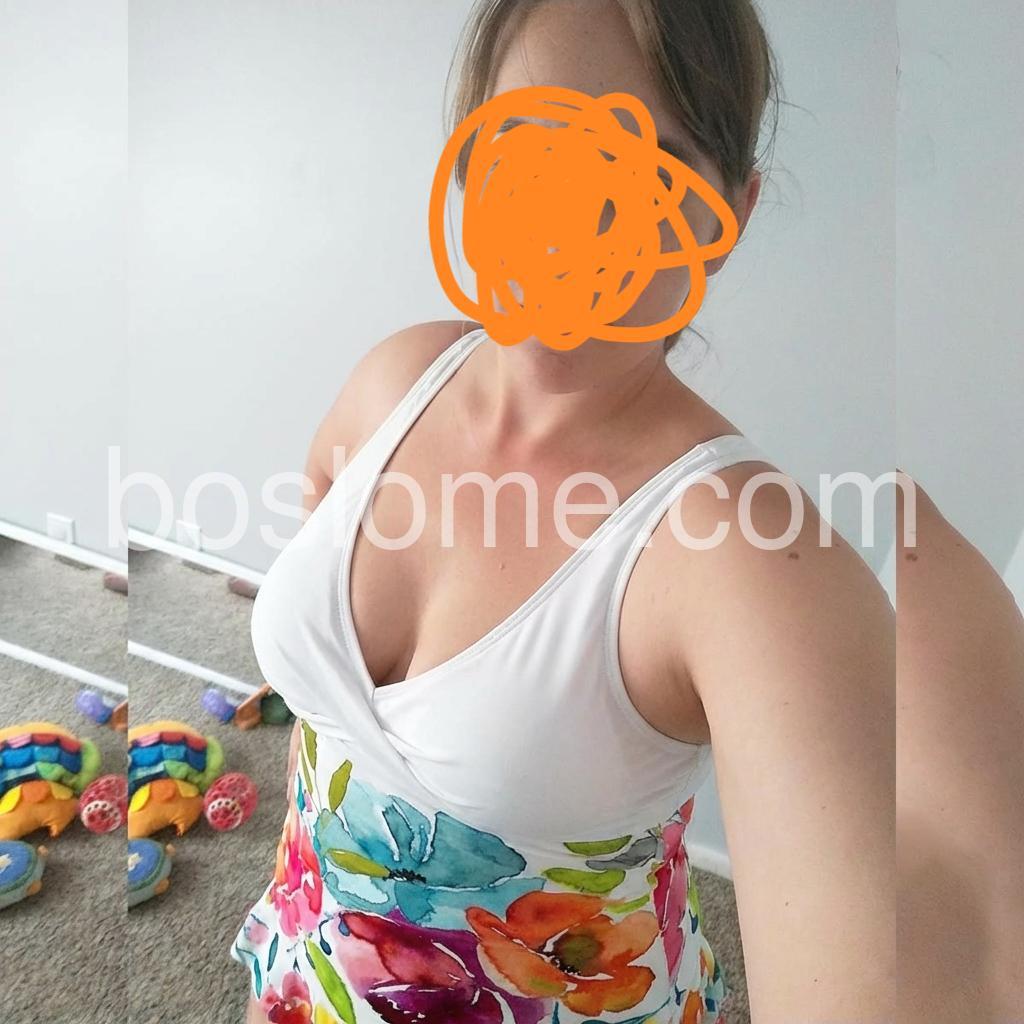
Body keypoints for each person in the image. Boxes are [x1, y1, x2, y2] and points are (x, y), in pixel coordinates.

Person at [236, 2, 895, 1022]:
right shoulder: (396, 377)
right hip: (303, 963)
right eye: (532, 143)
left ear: (732, 216)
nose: (573, 218)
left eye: (646, 170)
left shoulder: (758, 564)